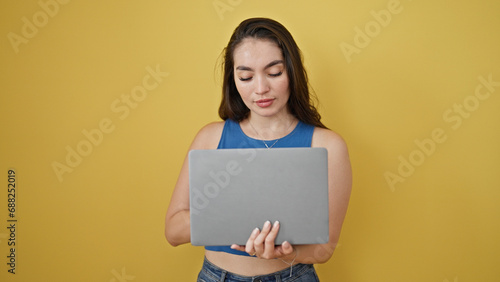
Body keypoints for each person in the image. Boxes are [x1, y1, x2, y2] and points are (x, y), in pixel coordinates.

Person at [165, 17, 352, 281]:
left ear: (292, 71)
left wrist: (278, 252)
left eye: (274, 73)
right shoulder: (210, 137)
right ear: (234, 80)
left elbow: (324, 249)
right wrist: (240, 213)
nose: (261, 89)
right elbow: (173, 231)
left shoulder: (328, 146)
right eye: (246, 76)